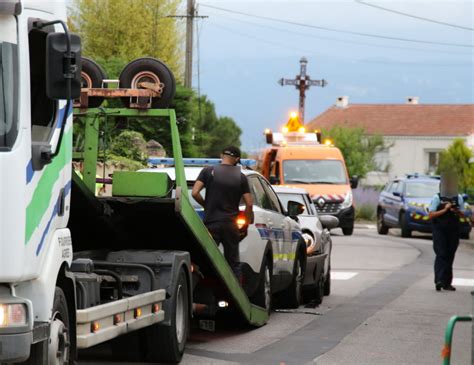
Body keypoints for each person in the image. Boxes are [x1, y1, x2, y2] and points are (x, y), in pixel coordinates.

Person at [191, 146, 254, 280]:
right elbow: (249, 203)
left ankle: (204, 292)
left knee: (206, 259)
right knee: (233, 263)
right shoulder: (241, 177)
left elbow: (195, 193)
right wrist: (246, 224)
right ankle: (236, 297)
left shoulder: (208, 171)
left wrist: (206, 205)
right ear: (237, 159)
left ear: (221, 155)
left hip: (211, 223)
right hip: (230, 225)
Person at [428, 173, 466, 291]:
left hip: (453, 230)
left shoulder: (458, 198)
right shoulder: (437, 198)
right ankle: (439, 280)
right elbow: (431, 214)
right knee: (441, 254)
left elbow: (463, 215)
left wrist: (456, 210)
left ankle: (447, 282)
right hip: (439, 230)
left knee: (450, 255)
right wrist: (445, 209)